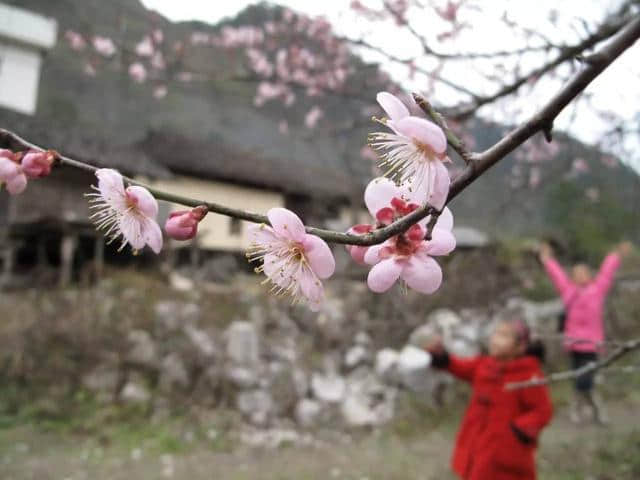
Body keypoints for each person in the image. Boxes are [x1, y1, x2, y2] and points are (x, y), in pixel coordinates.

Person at [424, 319, 553, 480]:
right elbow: (459, 366)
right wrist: (441, 356)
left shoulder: (528, 376)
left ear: (521, 347)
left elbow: (542, 411)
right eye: (495, 334)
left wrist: (518, 430)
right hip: (478, 442)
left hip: (507, 450)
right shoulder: (484, 365)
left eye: (504, 336)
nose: (495, 340)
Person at [539, 241, 632, 424]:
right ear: (572, 277)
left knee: (587, 379)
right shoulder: (568, 291)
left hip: (592, 344)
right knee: (579, 379)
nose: (580, 276)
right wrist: (546, 259)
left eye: (584, 273)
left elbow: (607, 273)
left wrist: (616, 255)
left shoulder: (597, 290)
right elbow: (556, 275)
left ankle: (591, 409)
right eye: (577, 273)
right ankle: (587, 410)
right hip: (574, 344)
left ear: (589, 275)